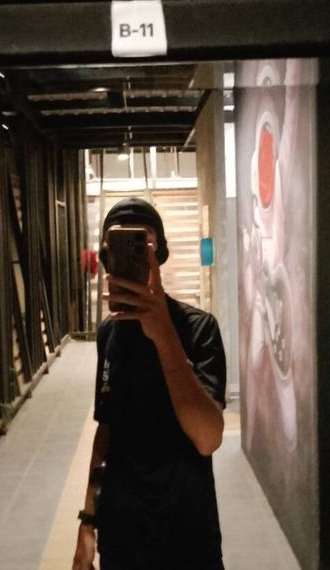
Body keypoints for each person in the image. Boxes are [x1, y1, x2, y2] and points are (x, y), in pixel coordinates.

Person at [72, 198, 227, 570]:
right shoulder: (109, 333)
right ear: (106, 260)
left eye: (142, 247)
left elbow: (208, 438)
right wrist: (88, 521)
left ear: (160, 256)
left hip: (187, 531)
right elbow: (106, 429)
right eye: (115, 250)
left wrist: (163, 335)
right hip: (122, 532)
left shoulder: (199, 329)